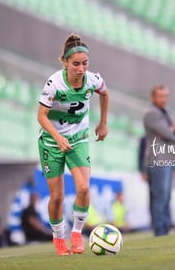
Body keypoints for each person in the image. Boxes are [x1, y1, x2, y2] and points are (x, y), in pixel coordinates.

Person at [37, 34, 109, 255]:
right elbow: (41, 116)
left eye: (84, 63)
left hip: (78, 139)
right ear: (65, 62)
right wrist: (58, 138)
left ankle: (77, 233)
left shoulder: (92, 80)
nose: (81, 68)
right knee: (57, 197)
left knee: (84, 188)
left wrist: (103, 122)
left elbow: (105, 93)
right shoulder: (54, 83)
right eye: (76, 64)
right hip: (51, 143)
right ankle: (59, 238)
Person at [143, 85, 175, 236]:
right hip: (158, 158)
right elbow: (170, 134)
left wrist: (170, 130)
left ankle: (165, 228)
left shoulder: (164, 113)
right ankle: (160, 231)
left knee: (166, 197)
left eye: (165, 96)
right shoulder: (151, 113)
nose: (163, 99)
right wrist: (170, 129)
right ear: (153, 97)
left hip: (168, 158)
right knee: (160, 197)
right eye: (160, 96)